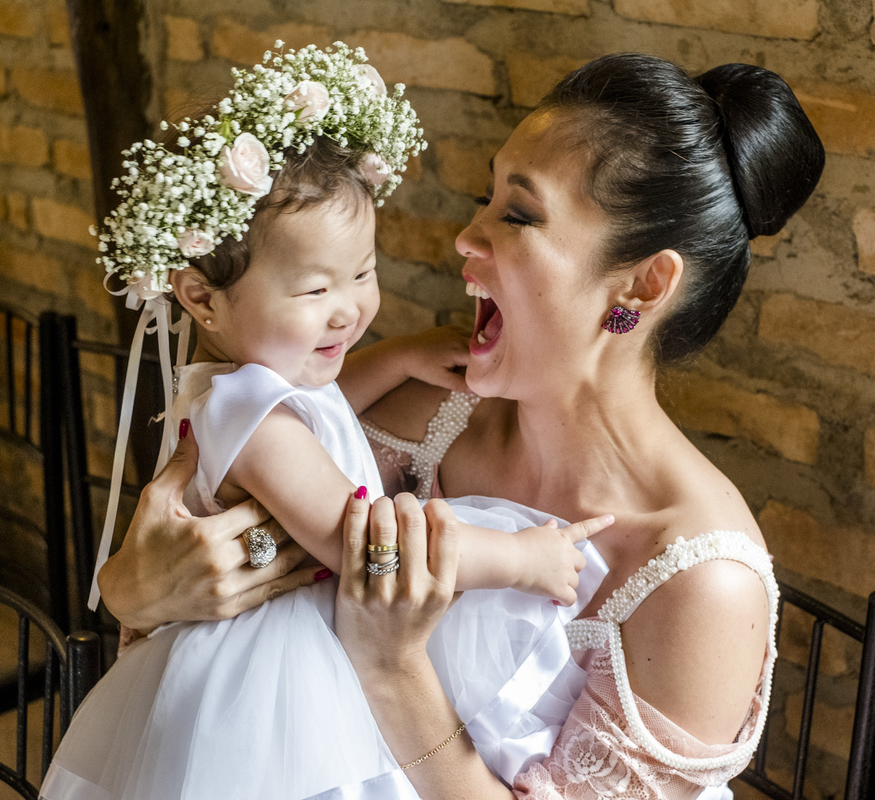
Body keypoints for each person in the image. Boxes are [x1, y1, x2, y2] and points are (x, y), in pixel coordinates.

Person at [100, 52, 826, 799]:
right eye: (486, 197)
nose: (465, 237)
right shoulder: (425, 419)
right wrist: (134, 591)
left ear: (643, 285)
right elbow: (252, 531)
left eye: (517, 214)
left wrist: (392, 666)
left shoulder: (702, 584)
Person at [42, 42, 611, 800]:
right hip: (265, 686)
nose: (350, 308)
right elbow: (360, 542)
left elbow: (322, 406)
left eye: (364, 273)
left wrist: (399, 357)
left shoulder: (251, 385)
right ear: (202, 298)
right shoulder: (251, 412)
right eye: (315, 291)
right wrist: (517, 561)